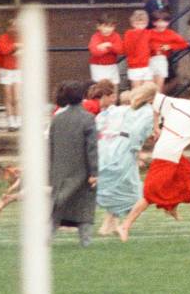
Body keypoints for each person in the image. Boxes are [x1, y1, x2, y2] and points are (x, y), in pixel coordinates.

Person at [118, 84, 190, 242]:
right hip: (167, 155)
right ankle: (125, 225)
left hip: (171, 153)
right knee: (150, 195)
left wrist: (157, 126)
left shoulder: (178, 102)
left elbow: (154, 99)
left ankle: (171, 207)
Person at [96, 83, 157, 236]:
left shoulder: (127, 109)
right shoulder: (147, 112)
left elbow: (103, 122)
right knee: (131, 189)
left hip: (112, 146)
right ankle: (119, 224)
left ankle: (110, 224)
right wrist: (137, 151)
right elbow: (136, 133)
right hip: (125, 149)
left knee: (120, 185)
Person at [49, 81, 98, 247]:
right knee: (84, 207)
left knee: (57, 209)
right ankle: (85, 242)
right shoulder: (88, 118)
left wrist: (51, 172)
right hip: (81, 173)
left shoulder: (57, 119)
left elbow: (51, 148)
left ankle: (45, 240)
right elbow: (91, 148)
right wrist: (94, 172)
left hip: (60, 172)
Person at [148, 10, 189, 92]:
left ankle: (157, 102)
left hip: (162, 60)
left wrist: (170, 46)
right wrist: (152, 48)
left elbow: (185, 44)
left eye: (164, 21)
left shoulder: (171, 33)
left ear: (168, 22)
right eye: (159, 21)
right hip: (149, 60)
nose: (161, 24)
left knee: (159, 86)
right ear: (154, 22)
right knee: (150, 87)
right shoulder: (149, 33)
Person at [0, 19, 22, 131]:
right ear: (8, 28)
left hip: (18, 70)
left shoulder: (23, 37)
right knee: (8, 97)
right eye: (12, 27)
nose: (14, 29)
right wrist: (15, 46)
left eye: (17, 27)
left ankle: (18, 120)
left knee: (17, 97)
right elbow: (3, 50)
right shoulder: (3, 38)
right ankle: (11, 122)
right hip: (6, 70)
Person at [123, 10, 152, 89]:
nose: (140, 26)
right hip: (134, 66)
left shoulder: (148, 33)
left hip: (146, 65)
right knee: (137, 90)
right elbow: (128, 49)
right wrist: (137, 34)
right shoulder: (129, 33)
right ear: (132, 23)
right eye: (137, 24)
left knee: (148, 90)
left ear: (146, 23)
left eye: (143, 24)